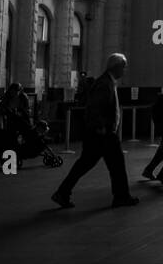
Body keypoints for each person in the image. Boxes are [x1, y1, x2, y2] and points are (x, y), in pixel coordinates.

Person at [51, 52, 138, 209]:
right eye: (124, 67)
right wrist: (102, 127)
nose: (125, 70)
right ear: (116, 67)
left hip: (99, 133)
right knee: (116, 165)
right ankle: (121, 196)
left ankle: (63, 192)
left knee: (85, 164)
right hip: (103, 134)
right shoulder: (105, 84)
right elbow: (96, 107)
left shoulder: (106, 82)